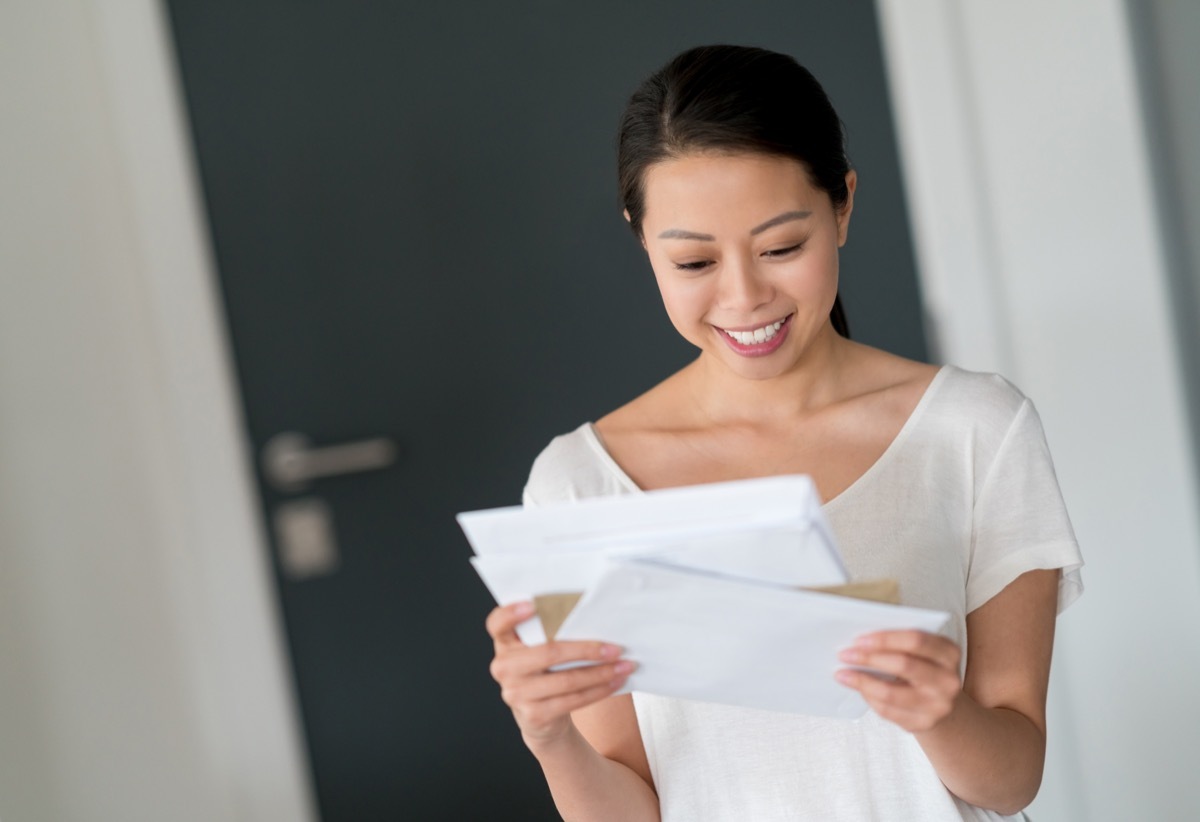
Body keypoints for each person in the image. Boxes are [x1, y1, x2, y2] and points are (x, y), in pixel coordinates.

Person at [485, 44, 1083, 821]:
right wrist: (551, 737)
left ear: (842, 205)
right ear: (642, 239)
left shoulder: (974, 431)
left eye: (781, 248)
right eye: (695, 262)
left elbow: (1010, 781)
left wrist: (940, 712)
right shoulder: (580, 485)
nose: (745, 298)